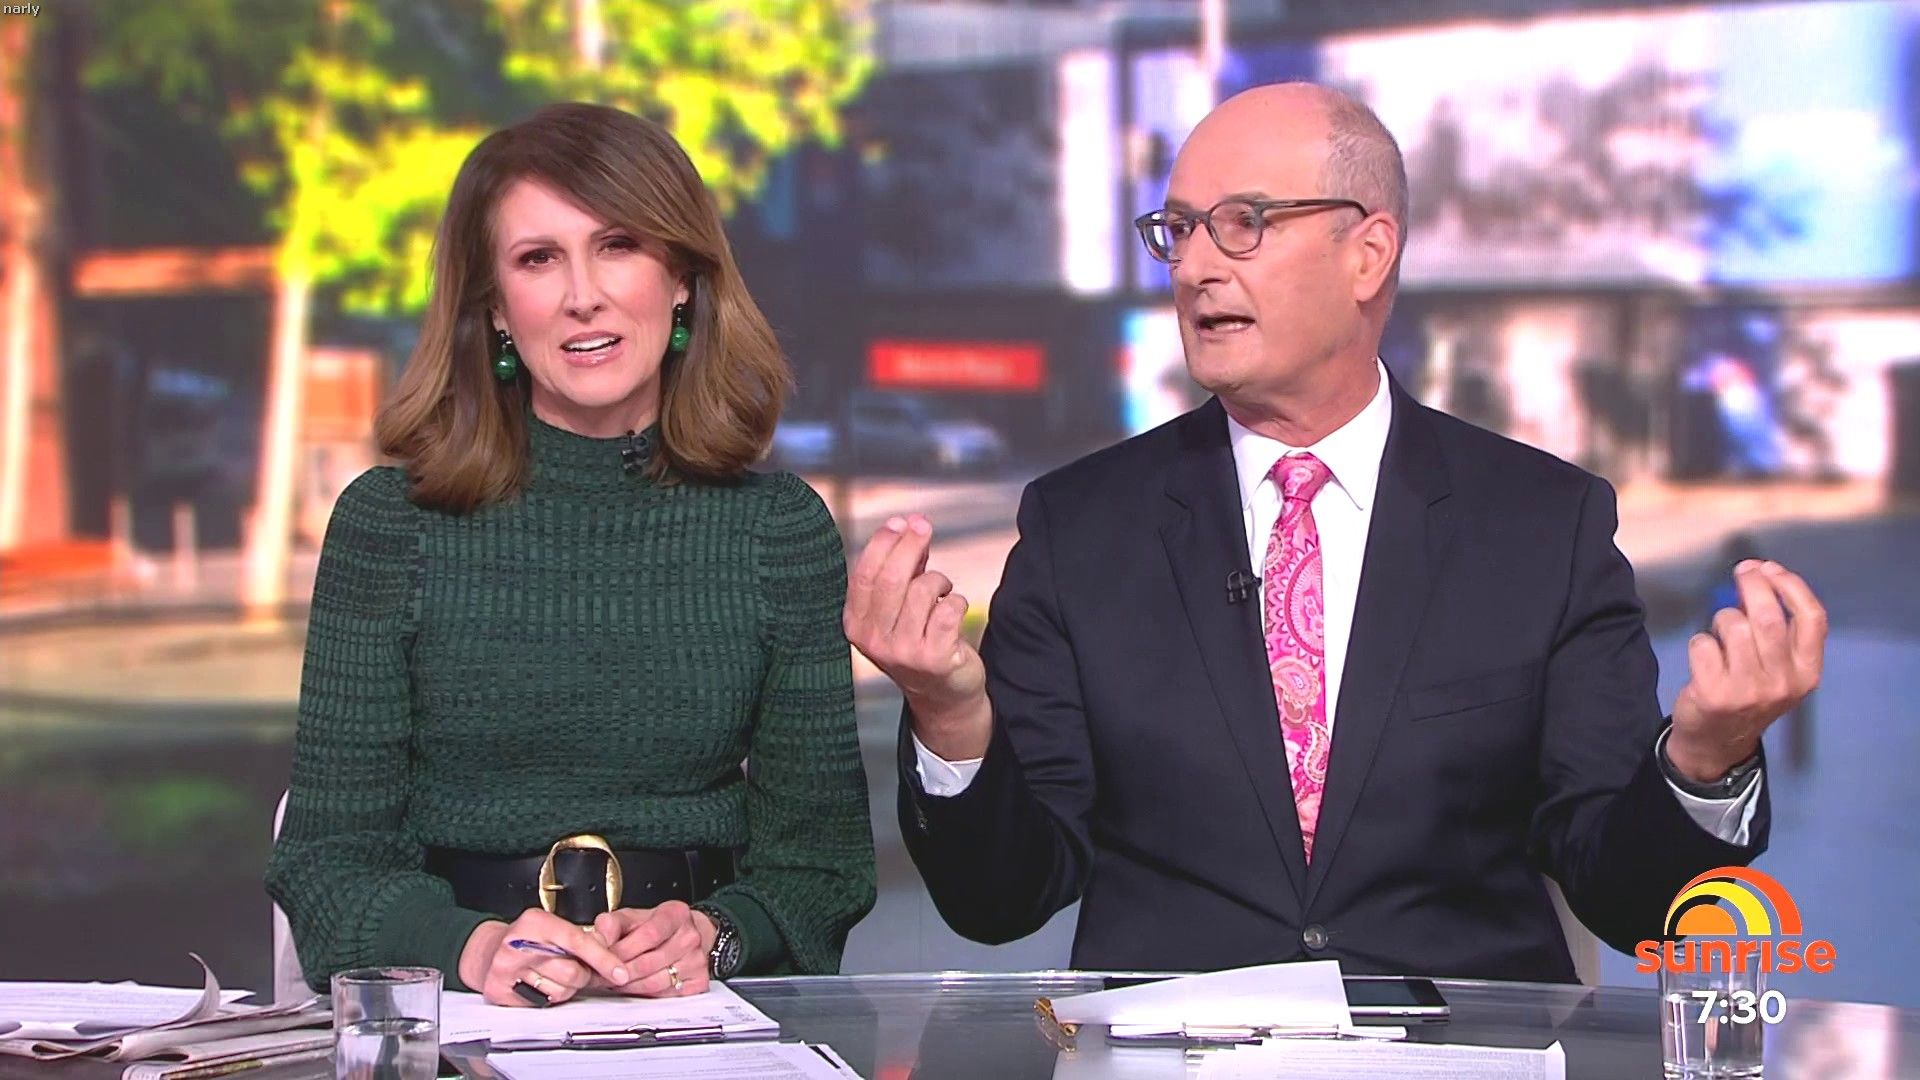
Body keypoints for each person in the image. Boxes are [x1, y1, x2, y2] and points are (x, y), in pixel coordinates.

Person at [845, 83, 1826, 982]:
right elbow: (1001, 899)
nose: (1195, 266)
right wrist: (951, 717)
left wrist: (1705, 757)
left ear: (1368, 253)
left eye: (1244, 223)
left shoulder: (1541, 526)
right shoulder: (1082, 529)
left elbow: (1630, 901)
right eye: (1178, 229)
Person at [266, 103, 875, 1006]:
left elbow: (822, 869)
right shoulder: (390, 525)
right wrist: (472, 949)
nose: (582, 294)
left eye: (617, 245)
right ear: (496, 308)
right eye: (538, 259)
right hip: (462, 1002)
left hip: (691, 1011)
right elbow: (326, 862)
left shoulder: (778, 531)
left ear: (682, 279)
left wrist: (718, 935)